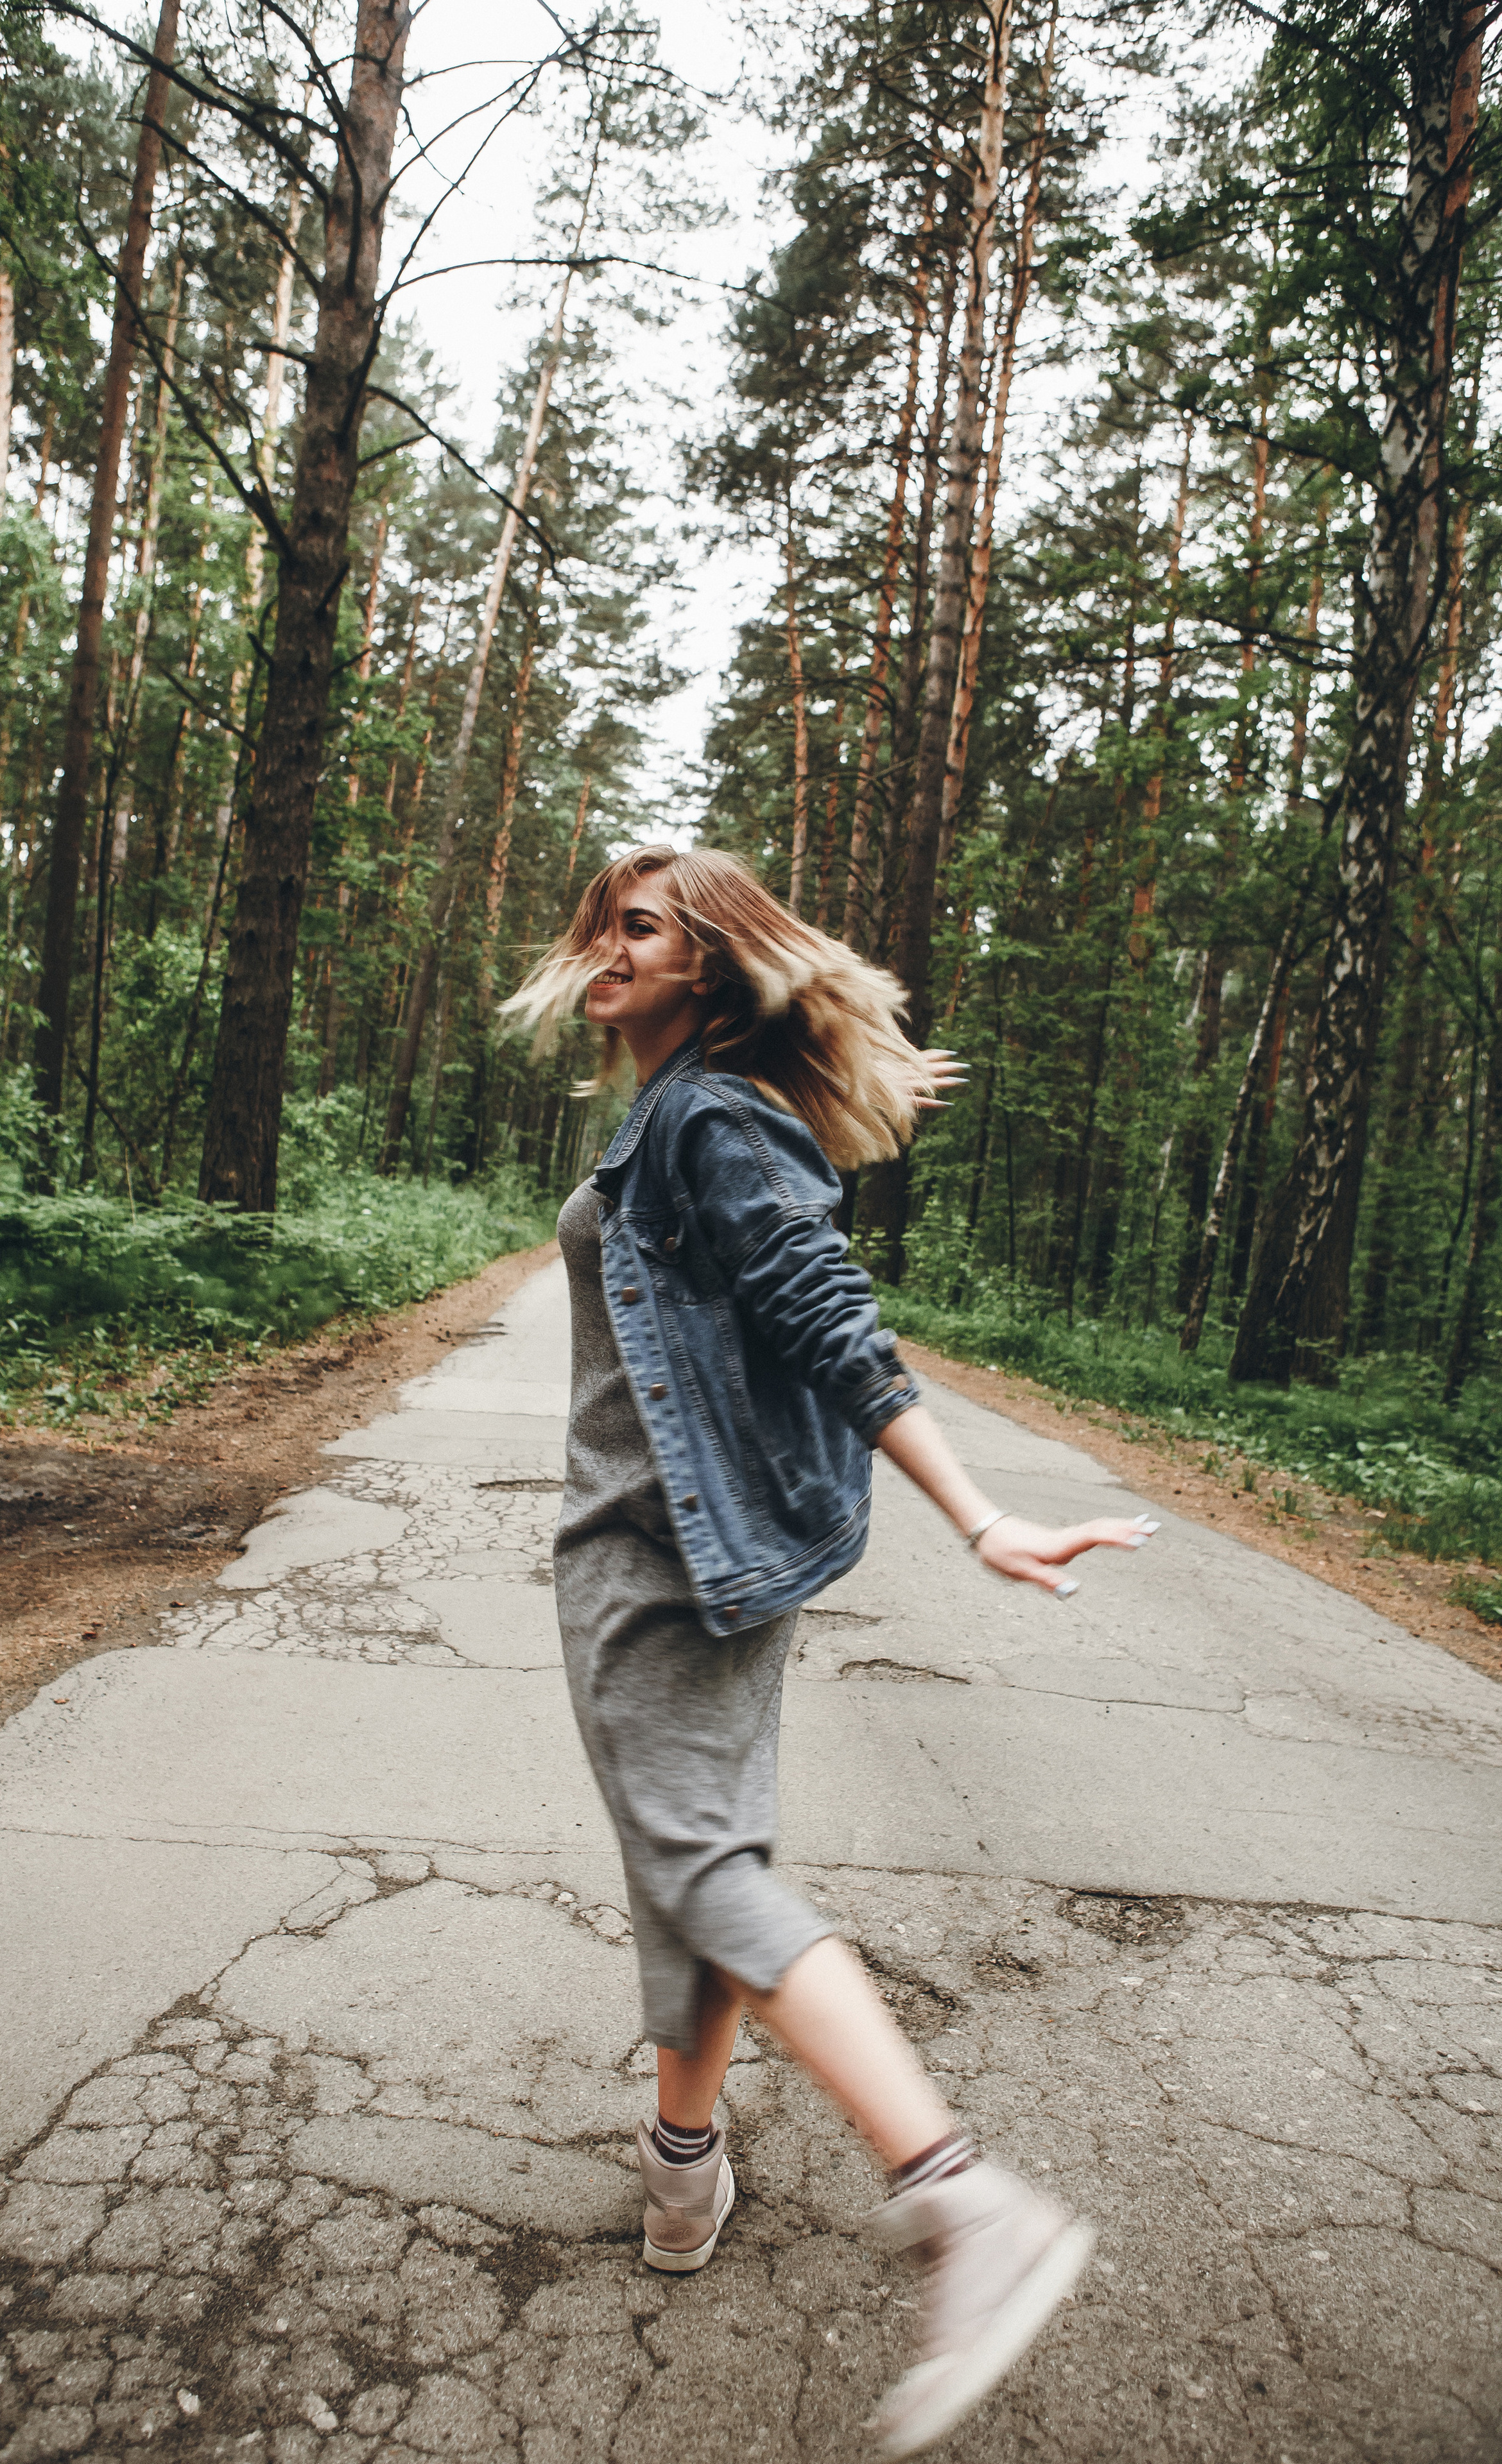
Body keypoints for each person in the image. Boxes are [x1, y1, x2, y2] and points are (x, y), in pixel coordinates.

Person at [500, 846, 1158, 2461]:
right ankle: (680, 2157)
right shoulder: (691, 1108)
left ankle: (959, 2197)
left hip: (662, 1553)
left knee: (701, 1861)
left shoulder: (705, 1117)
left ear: (710, 970)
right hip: (706, 1537)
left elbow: (826, 1317)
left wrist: (977, 1513)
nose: (603, 944)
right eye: (599, 921)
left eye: (637, 927)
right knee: (697, 1850)